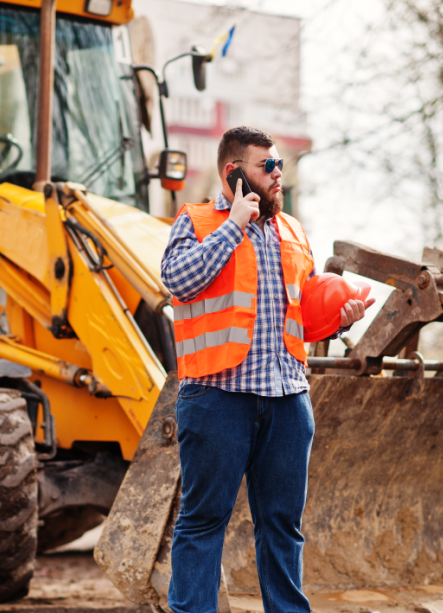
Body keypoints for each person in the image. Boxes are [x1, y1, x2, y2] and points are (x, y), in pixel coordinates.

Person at [159, 126, 374, 613]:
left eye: (279, 164)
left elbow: (302, 314)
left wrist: (338, 321)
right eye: (267, 166)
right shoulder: (196, 222)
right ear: (234, 173)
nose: (279, 174)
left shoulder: (293, 231)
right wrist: (234, 224)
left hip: (287, 400)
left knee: (282, 525)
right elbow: (177, 281)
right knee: (203, 521)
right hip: (217, 399)